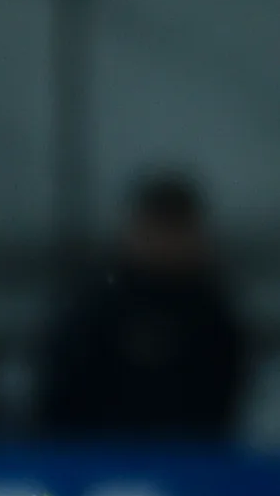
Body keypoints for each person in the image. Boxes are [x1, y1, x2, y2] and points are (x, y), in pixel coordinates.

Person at [41, 174, 247, 439]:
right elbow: (62, 393)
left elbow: (222, 397)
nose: (168, 244)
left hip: (190, 451)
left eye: (178, 231)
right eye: (159, 230)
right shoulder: (94, 308)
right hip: (97, 449)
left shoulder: (213, 313)